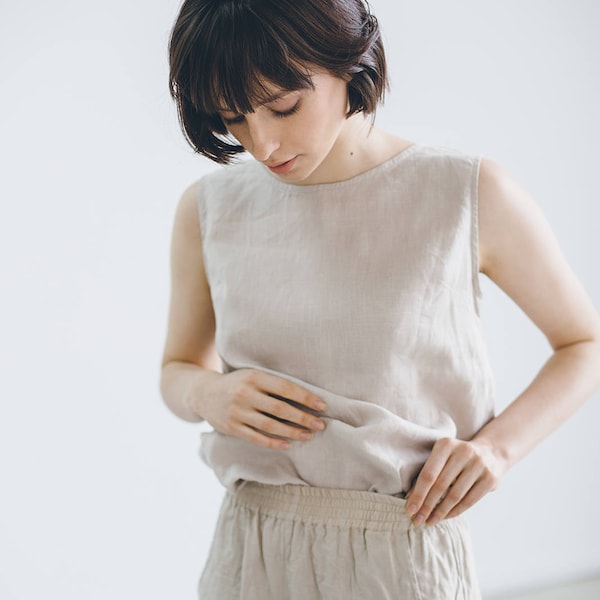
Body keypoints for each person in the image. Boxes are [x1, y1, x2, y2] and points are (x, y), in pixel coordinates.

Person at [160, 0, 600, 598]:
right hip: (250, 548)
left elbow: (583, 343)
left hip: (401, 554)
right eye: (233, 118)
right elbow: (177, 369)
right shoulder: (209, 208)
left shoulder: (464, 193)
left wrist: (496, 450)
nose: (261, 144)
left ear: (347, 61)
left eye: (283, 105)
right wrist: (207, 393)